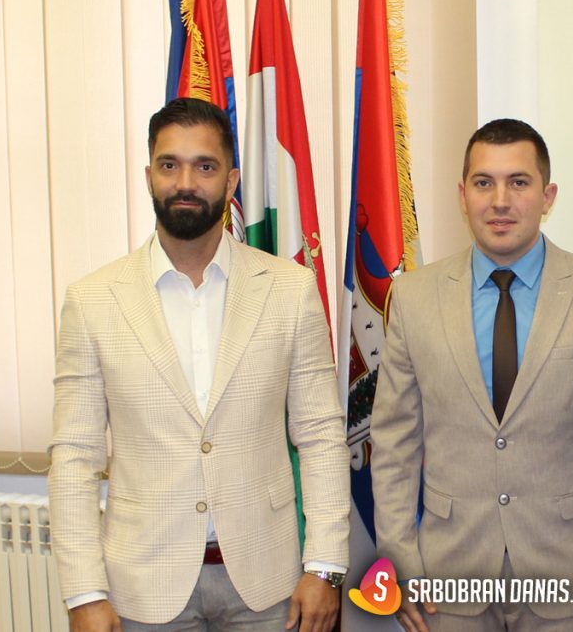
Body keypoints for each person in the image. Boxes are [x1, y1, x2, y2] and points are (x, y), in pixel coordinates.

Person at [48, 98, 349, 631]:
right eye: (170, 165)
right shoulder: (92, 300)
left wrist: (324, 567)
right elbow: (74, 455)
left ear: (231, 182)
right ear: (149, 176)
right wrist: (84, 593)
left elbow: (321, 434)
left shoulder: (290, 289)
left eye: (204, 166)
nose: (185, 182)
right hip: (143, 587)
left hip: (268, 584)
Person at [371, 118, 573, 632]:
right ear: (462, 195)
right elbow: (393, 444)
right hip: (449, 577)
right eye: (483, 183)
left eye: (518, 182)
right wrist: (399, 560)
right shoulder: (413, 296)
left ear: (547, 195)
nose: (500, 201)